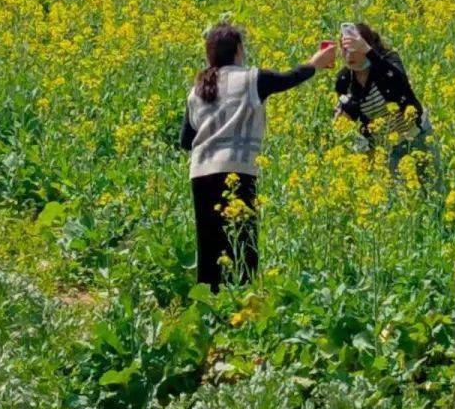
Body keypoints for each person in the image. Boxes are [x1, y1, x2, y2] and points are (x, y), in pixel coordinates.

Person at [179, 22, 336, 292]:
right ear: (239, 50)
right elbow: (289, 78)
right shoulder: (252, 79)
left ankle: (209, 309)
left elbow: (185, 141)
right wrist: (316, 63)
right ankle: (243, 304)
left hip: (201, 172)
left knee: (209, 246)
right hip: (237, 170)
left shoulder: (198, 89)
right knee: (243, 242)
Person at [334, 22, 441, 193]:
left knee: (433, 192)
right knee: (399, 203)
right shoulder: (345, 79)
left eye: (355, 49)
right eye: (345, 49)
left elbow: (399, 82)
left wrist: (370, 53)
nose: (349, 55)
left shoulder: (388, 60)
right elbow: (352, 113)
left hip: (418, 136)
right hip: (387, 149)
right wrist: (342, 120)